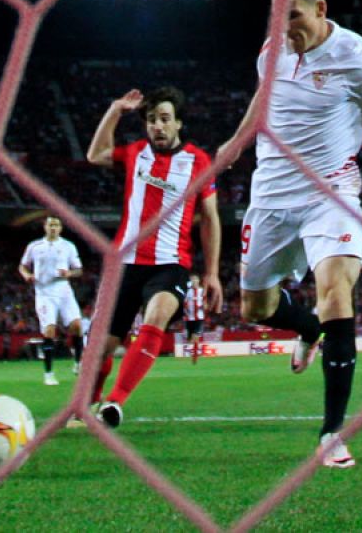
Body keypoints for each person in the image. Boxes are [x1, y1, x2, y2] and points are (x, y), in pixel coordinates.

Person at [225, 0, 362, 469]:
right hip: (272, 195)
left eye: (292, 15)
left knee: (337, 293)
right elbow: (263, 96)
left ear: (320, 10)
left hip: (331, 193)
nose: (284, 25)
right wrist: (236, 142)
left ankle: (332, 433)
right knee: (254, 309)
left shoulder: (357, 57)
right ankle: (307, 328)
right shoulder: (270, 50)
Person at [83, 86, 222, 426]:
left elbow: (211, 219)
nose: (157, 127)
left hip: (171, 264)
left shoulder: (198, 161)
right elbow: (94, 155)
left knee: (156, 315)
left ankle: (115, 403)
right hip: (126, 264)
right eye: (151, 121)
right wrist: (115, 110)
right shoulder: (135, 153)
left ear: (178, 124)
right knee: (102, 347)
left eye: (164, 119)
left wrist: (213, 272)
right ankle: (89, 402)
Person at [19, 216, 84, 386]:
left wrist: (69, 274)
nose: (53, 227)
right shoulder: (34, 246)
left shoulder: (68, 246)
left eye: (56, 224)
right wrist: (27, 275)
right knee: (49, 331)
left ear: (60, 228)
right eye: (50, 224)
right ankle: (48, 373)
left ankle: (78, 363)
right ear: (45, 227)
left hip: (64, 291)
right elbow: (22, 265)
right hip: (44, 294)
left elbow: (78, 269)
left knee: (77, 326)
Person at [182, 274, 207, 365]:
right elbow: (184, 303)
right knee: (190, 340)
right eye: (192, 280)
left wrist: (204, 306)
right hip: (189, 318)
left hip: (199, 318)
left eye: (195, 279)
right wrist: (186, 311)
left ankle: (195, 357)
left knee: (196, 338)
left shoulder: (201, 291)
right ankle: (194, 352)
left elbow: (204, 302)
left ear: (198, 281)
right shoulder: (187, 292)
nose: (194, 281)